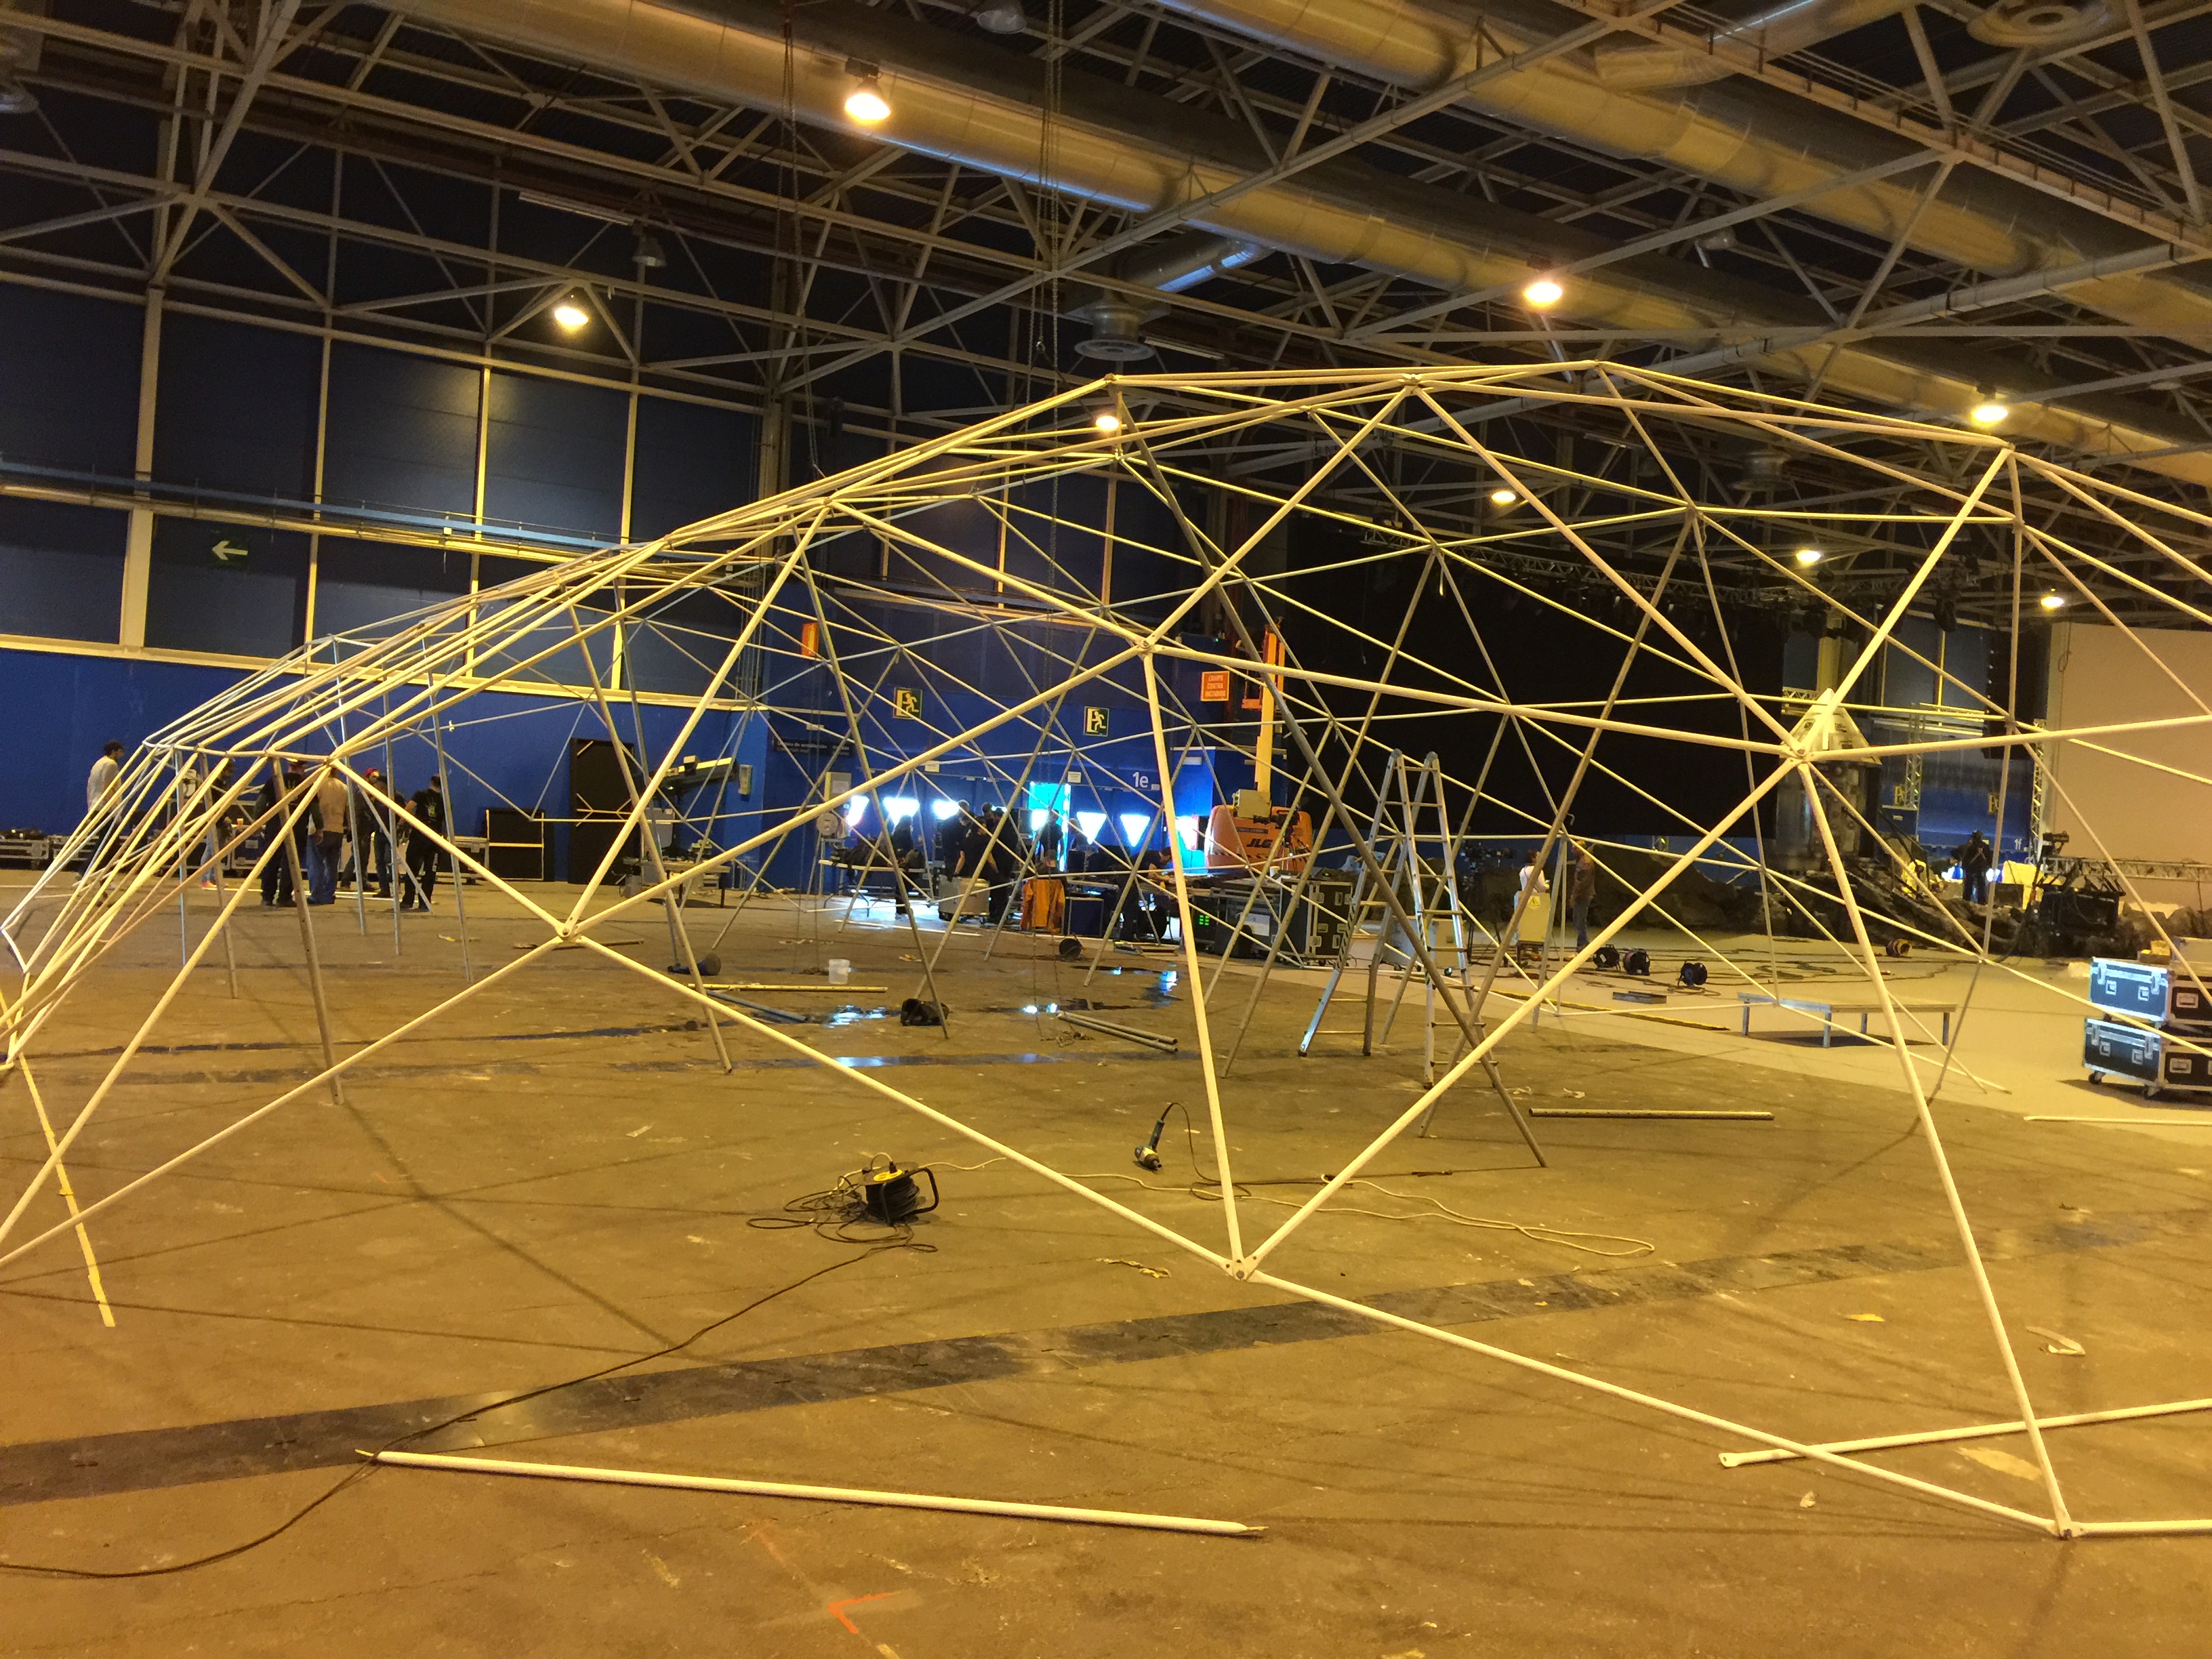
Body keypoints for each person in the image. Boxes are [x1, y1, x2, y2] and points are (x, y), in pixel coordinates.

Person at [260, 762, 306, 908]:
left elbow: (261, 803)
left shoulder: (273, 781)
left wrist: (257, 821)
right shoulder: (307, 783)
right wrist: (319, 828)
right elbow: (315, 808)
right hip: (297, 828)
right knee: (291, 864)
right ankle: (284, 897)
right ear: (302, 768)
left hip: (275, 827)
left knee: (271, 862)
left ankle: (267, 896)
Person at [401, 776, 446, 912]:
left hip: (419, 836)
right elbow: (445, 821)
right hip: (434, 838)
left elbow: (408, 808)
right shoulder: (444, 800)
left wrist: (404, 823)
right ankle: (425, 901)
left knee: (412, 869)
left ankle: (408, 901)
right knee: (430, 872)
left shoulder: (421, 794)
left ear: (431, 782)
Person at [307, 766, 348, 905]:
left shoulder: (318, 785)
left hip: (319, 828)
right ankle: (329, 895)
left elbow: (312, 807)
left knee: (316, 863)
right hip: (337, 828)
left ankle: (316, 895)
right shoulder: (344, 787)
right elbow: (348, 810)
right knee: (332, 865)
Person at [1513, 848, 1549, 945]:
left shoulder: (1523, 870)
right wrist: (1547, 884)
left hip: (1525, 898)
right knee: (1536, 924)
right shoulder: (1538, 871)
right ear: (1533, 858)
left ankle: (1523, 947)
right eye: (1538, 856)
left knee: (1525, 924)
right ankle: (1535, 949)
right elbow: (1542, 887)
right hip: (1537, 898)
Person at [85, 740, 123, 819]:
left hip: (94, 806)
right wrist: (115, 812)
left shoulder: (98, 763)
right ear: (113, 752)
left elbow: (90, 787)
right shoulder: (111, 764)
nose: (122, 754)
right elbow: (107, 788)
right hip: (105, 809)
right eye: (120, 751)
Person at [1954, 830, 1994, 906]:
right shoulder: (1985, 846)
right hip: (1981, 869)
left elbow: (1965, 857)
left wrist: (1964, 866)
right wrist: (1989, 866)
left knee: (1968, 885)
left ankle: (1966, 901)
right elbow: (1990, 858)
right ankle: (1981, 902)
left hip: (1971, 869)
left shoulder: (1970, 847)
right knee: (1981, 886)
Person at [1570, 842, 1598, 950]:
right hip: (1581, 895)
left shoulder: (1585, 863)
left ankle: (1582, 944)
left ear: (1580, 850)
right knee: (1577, 919)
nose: (1572, 851)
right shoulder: (1581, 860)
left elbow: (1581, 884)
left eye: (1574, 849)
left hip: (1584, 895)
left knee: (1580, 920)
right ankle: (1584, 942)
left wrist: (1574, 897)